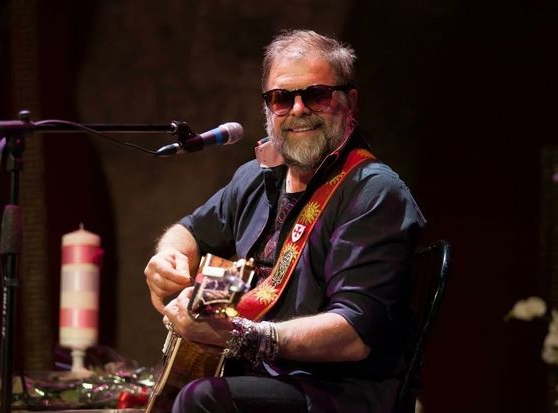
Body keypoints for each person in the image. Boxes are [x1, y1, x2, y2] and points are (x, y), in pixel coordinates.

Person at [144, 29, 426, 413]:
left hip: (338, 393)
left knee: (204, 399)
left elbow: (354, 335)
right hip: (253, 377)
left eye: (316, 95)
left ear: (350, 102)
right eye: (282, 98)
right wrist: (168, 258)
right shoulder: (254, 178)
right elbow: (189, 230)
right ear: (268, 108)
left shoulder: (373, 191)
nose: (298, 109)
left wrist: (244, 336)